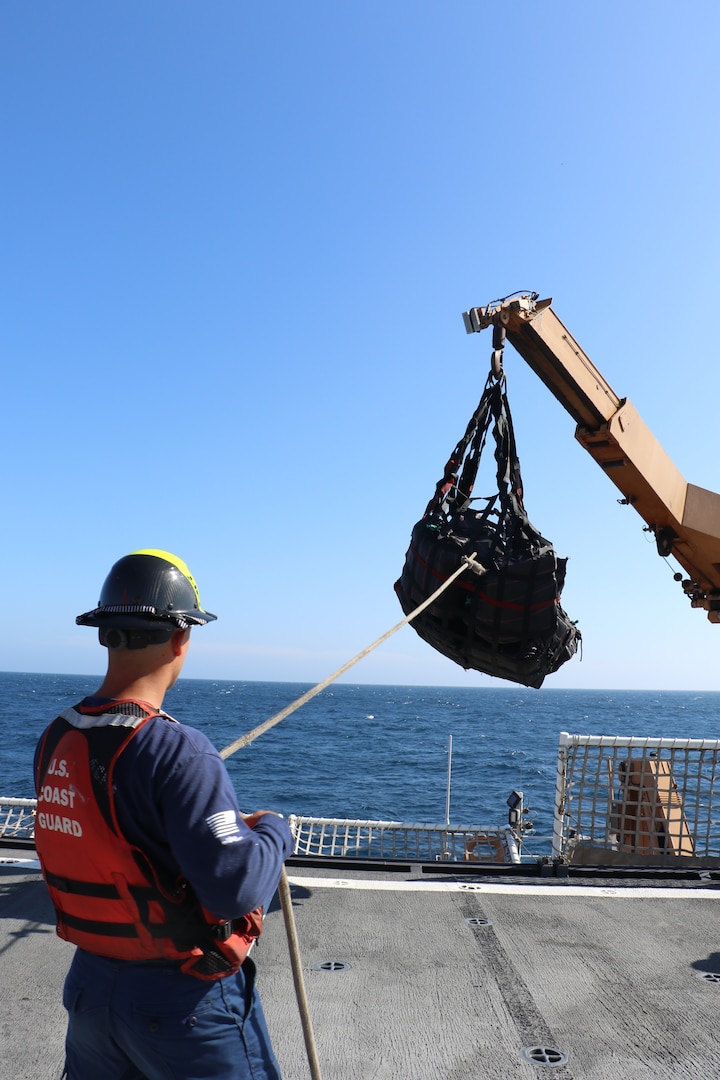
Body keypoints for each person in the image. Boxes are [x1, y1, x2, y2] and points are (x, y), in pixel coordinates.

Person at [34, 549, 294, 1080]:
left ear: (106, 634)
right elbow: (234, 885)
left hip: (92, 991)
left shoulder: (56, 737)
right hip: (182, 1005)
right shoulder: (179, 750)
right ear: (181, 638)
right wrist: (272, 831)